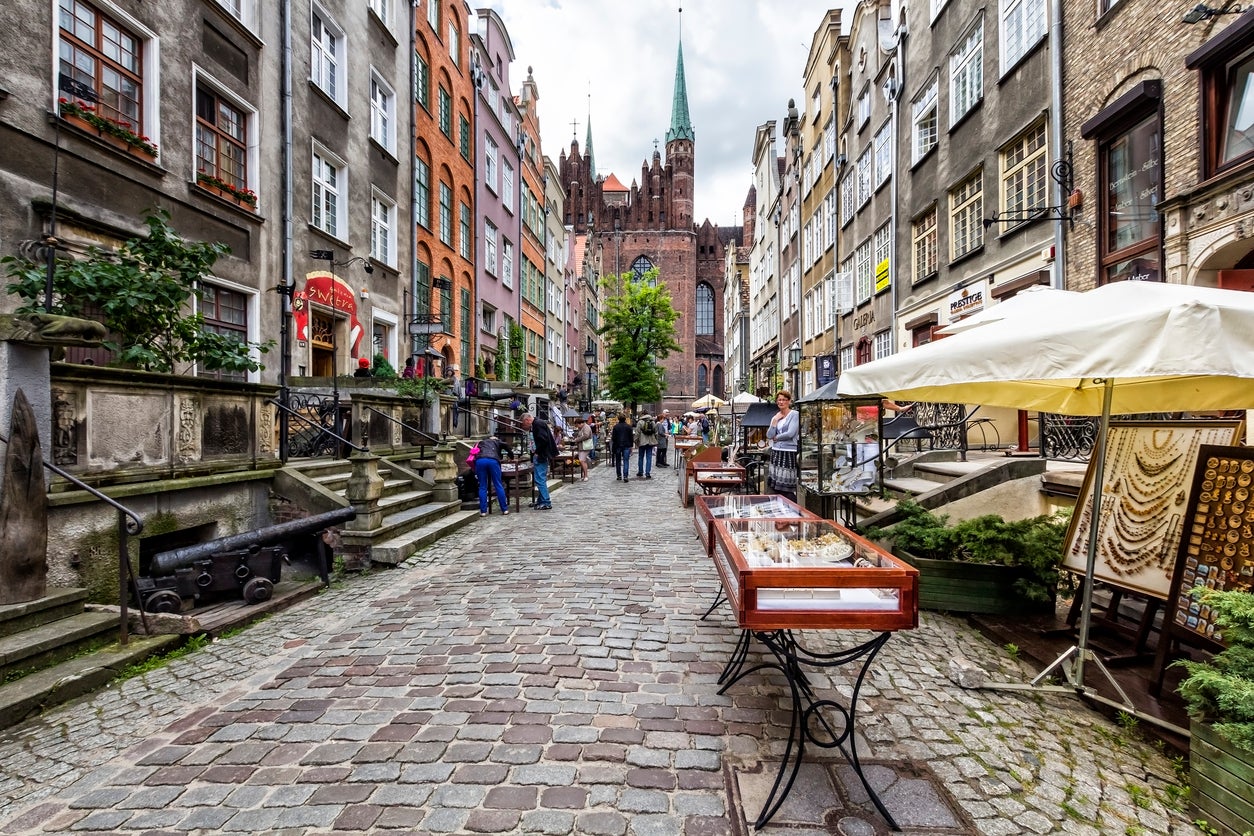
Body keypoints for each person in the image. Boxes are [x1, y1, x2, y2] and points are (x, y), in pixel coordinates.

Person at [766, 390, 799, 502]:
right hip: (776, 452)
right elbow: (769, 434)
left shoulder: (794, 414)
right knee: (776, 486)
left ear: (789, 401)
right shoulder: (776, 416)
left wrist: (777, 438)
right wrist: (775, 421)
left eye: (784, 400)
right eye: (779, 400)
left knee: (786, 486)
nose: (781, 402)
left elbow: (791, 433)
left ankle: (794, 510)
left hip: (788, 452)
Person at [521, 413, 558, 510]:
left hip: (541, 455)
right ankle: (541, 500)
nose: (525, 426)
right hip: (542, 454)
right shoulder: (537, 423)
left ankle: (546, 501)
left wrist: (537, 452)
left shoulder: (537, 424)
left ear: (527, 420)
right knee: (540, 478)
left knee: (540, 479)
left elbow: (543, 439)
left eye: (524, 424)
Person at [472, 431, 510, 516]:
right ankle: (504, 509)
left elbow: (474, 452)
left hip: (480, 461)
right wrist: (510, 456)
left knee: (482, 486)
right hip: (493, 461)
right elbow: (506, 445)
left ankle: (483, 511)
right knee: (498, 484)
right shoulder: (496, 441)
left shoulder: (480, 443)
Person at [634, 411, 658, 479]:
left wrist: (636, 441)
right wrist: (656, 440)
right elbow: (656, 432)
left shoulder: (640, 422)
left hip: (642, 442)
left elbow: (637, 432)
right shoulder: (652, 421)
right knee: (649, 457)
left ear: (642, 414)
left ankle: (640, 471)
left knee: (641, 457)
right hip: (650, 442)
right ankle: (648, 473)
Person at [610, 412, 634, 482]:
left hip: (617, 445)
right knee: (626, 461)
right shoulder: (629, 427)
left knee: (618, 461)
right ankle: (625, 476)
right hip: (626, 445)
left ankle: (619, 475)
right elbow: (631, 437)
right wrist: (631, 446)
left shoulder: (616, 427)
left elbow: (613, 438)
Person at [570, 416, 592, 481]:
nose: (577, 427)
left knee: (582, 460)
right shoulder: (582, 428)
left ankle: (586, 476)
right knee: (582, 461)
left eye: (577, 425)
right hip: (581, 447)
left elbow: (586, 436)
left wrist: (577, 440)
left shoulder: (586, 427)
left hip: (585, 447)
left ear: (580, 423)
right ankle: (583, 475)